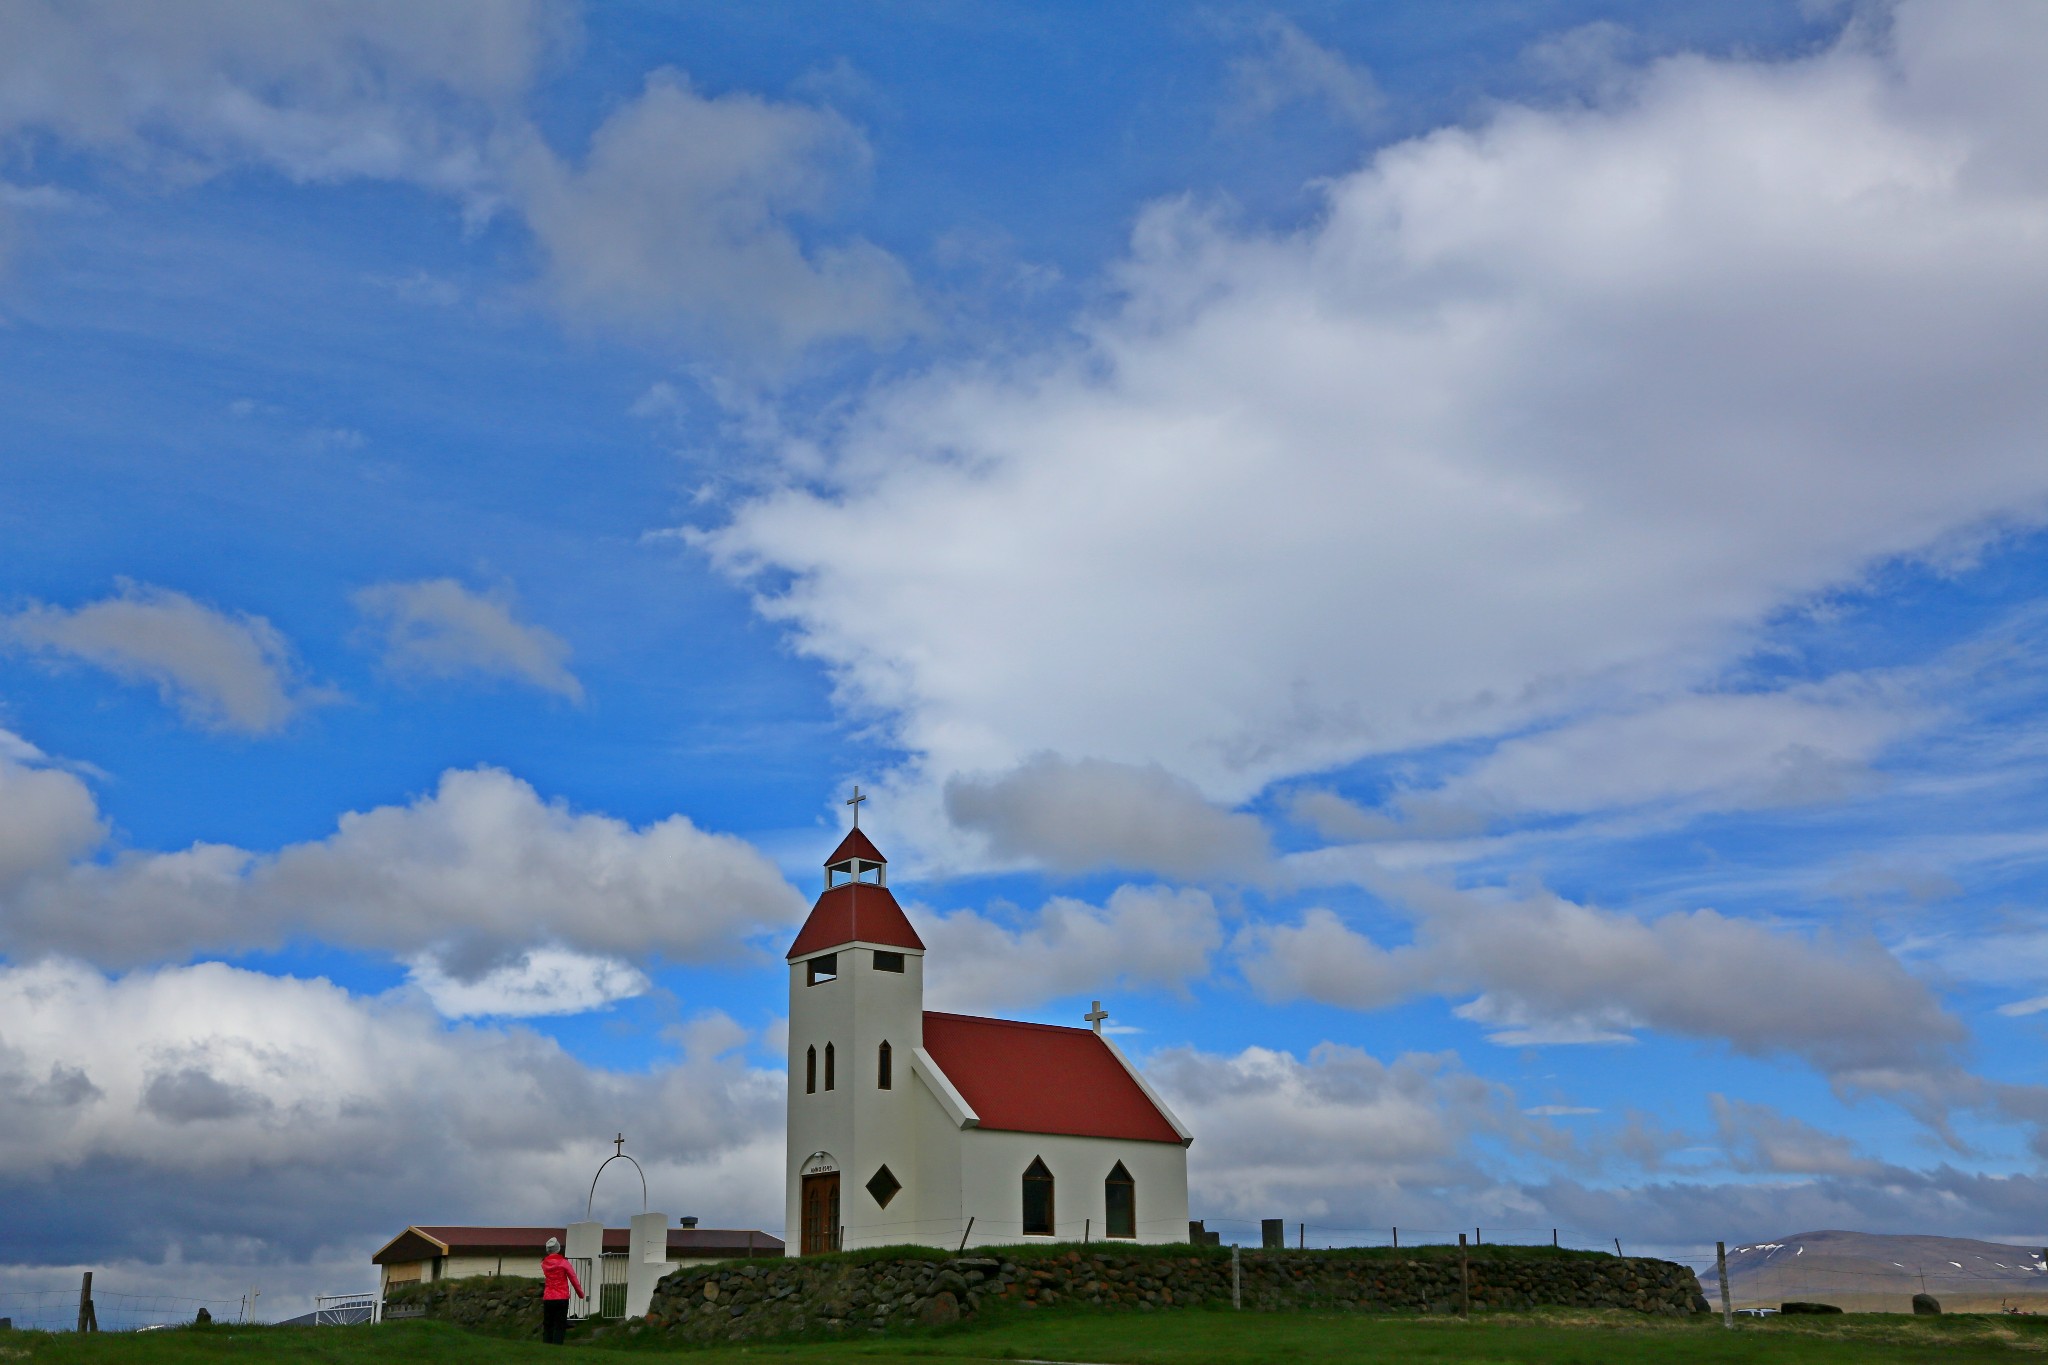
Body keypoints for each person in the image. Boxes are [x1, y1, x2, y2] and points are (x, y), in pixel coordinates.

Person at [540, 1236, 583, 1345]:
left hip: (548, 1297)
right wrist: (580, 1294)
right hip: (561, 1297)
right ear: (558, 1248)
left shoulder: (544, 1263)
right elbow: (573, 1278)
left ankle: (546, 1345)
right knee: (560, 1324)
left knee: (548, 1324)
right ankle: (557, 1346)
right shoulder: (564, 1262)